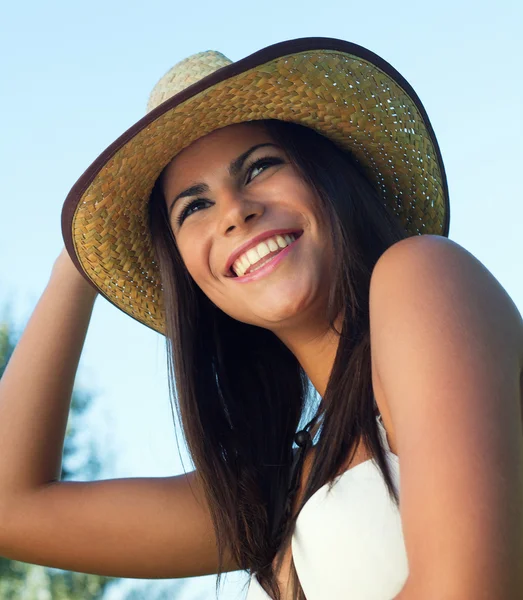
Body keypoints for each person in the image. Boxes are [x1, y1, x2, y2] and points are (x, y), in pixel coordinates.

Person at [0, 38, 522, 600]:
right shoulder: (268, 495)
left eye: (260, 166)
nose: (234, 211)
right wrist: (78, 263)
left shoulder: (421, 273)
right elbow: (11, 506)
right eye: (194, 207)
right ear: (188, 275)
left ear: (329, 176)